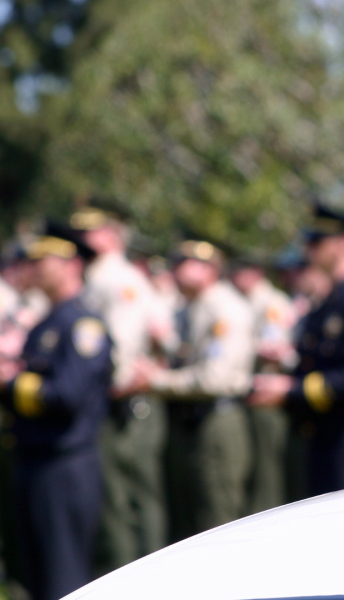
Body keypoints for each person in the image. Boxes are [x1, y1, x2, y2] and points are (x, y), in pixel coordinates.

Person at [249, 205, 344, 497]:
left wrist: (291, 390)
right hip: (322, 435)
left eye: (318, 241)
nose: (309, 249)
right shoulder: (329, 301)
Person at [116, 240, 255, 541]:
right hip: (189, 421)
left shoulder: (225, 308)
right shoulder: (192, 307)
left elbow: (214, 378)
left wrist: (156, 380)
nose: (176, 269)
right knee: (188, 522)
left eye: (186, 262)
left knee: (216, 519)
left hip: (216, 420)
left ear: (210, 270)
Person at [0, 229, 112, 600]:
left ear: (71, 265)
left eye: (41, 260)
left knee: (64, 579)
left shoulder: (81, 326)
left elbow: (68, 395)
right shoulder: (45, 324)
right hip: (34, 461)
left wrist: (13, 383)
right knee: (34, 578)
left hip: (63, 467)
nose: (32, 268)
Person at [69, 204, 175, 572]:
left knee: (132, 499)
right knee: (117, 500)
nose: (82, 238)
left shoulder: (119, 279)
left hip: (128, 404)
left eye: (91, 231)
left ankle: (144, 580)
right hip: (114, 401)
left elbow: (122, 351)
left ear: (112, 236)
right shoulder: (97, 276)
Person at [229, 255, 296, 513]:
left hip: (267, 394)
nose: (236, 276)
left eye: (241, 270)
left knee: (267, 472)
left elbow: (272, 347)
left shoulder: (270, 303)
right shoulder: (245, 301)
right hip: (250, 392)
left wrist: (240, 346)